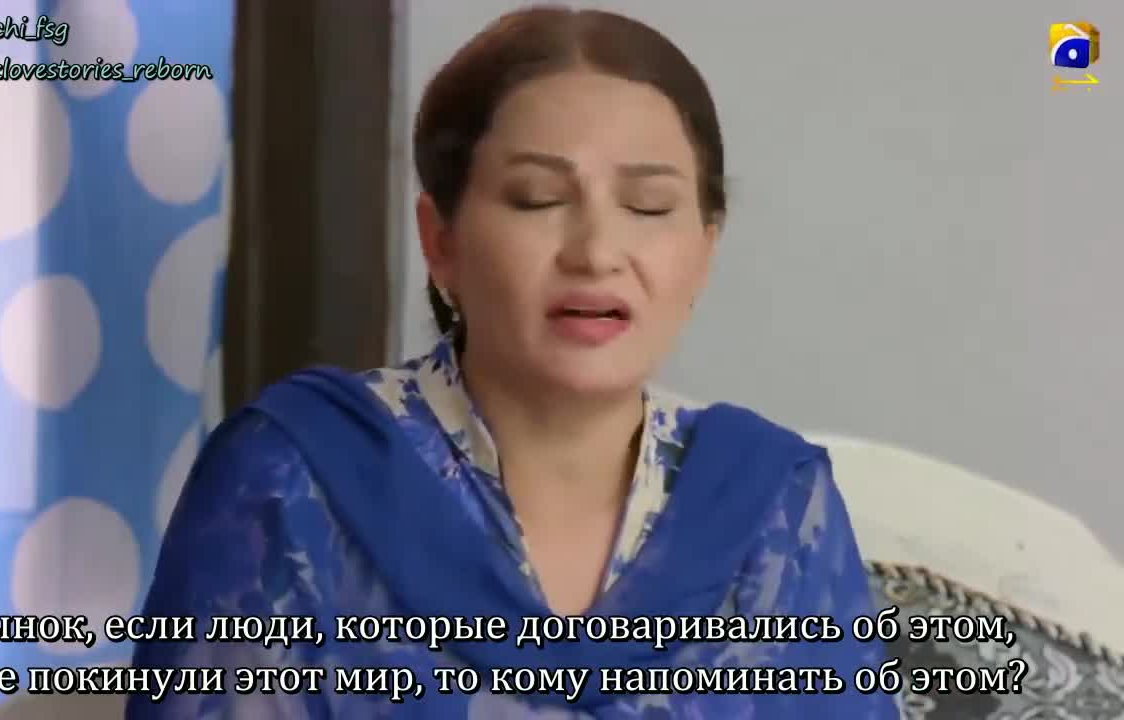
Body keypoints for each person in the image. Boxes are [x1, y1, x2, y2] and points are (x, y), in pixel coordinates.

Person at [129, 6, 900, 719]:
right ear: (441, 241)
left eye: (648, 207)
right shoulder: (292, 474)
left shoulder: (774, 497)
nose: (597, 253)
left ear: (704, 250)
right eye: (536, 199)